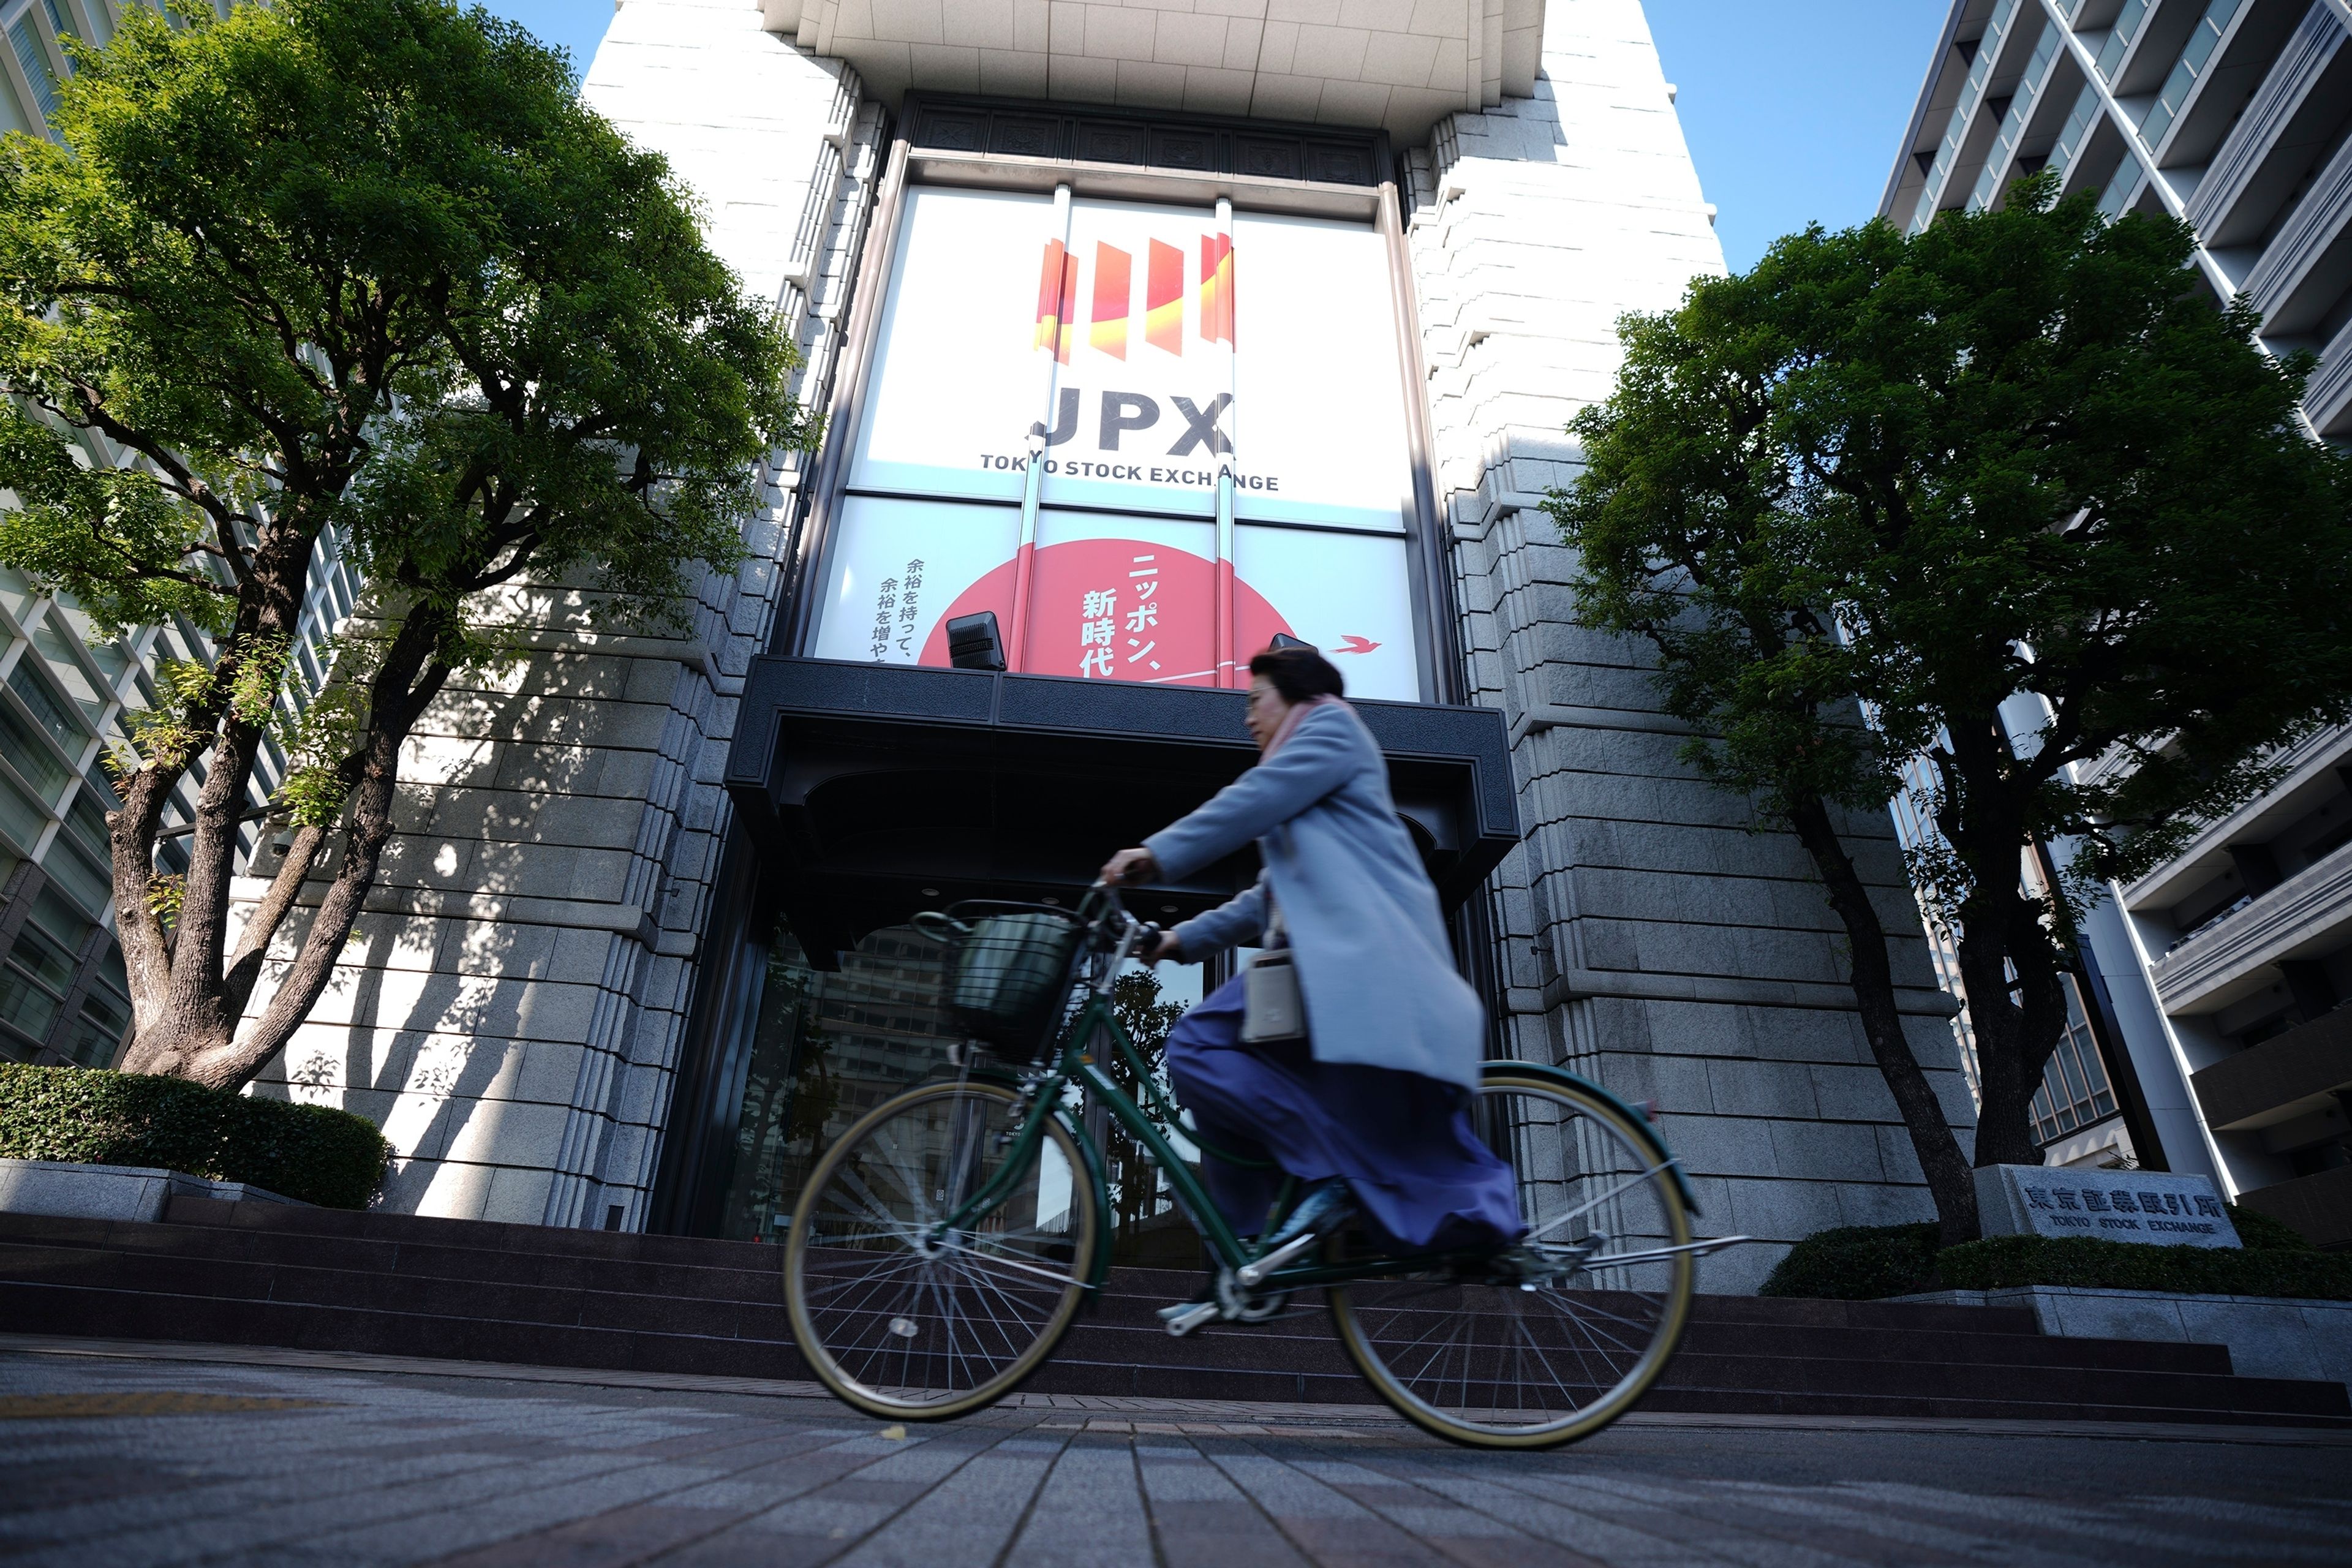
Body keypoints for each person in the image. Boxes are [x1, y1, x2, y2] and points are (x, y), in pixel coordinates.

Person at [1099, 646, 1523, 1267]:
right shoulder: (1312, 785)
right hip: (1319, 978)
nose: (1248, 717)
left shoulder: (1330, 727)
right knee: (1216, 1067)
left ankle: (1323, 1179)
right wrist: (1179, 941)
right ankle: (1254, 1245)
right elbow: (1264, 898)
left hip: (1352, 968)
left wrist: (1155, 853)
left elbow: (1251, 800)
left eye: (1255, 700)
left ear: (1295, 692)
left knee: (1196, 1047)